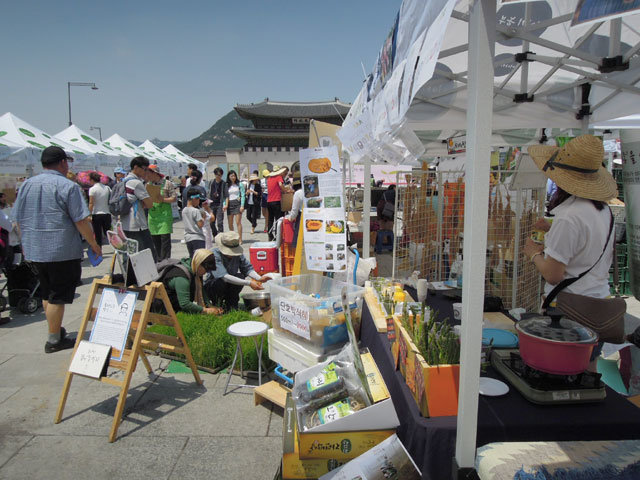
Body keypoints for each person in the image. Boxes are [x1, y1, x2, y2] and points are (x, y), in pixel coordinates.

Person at [523, 135, 618, 371]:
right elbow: (588, 244)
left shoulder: (569, 216)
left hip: (570, 309)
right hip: (599, 305)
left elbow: (553, 275)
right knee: (589, 369)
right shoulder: (603, 210)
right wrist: (553, 230)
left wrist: (533, 253)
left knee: (561, 370)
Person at [13, 146, 102, 353]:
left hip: (35, 250)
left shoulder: (27, 184)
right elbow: (81, 221)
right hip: (60, 250)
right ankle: (53, 340)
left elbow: (17, 219)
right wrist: (93, 243)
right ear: (62, 162)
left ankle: (55, 329)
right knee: (57, 296)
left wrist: (25, 243)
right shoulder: (68, 186)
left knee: (47, 293)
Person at [204, 231, 271, 310]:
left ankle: (232, 304)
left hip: (230, 284)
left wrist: (259, 278)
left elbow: (247, 268)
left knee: (240, 276)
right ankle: (218, 303)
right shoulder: (214, 255)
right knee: (220, 282)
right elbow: (224, 277)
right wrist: (249, 283)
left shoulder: (238, 254)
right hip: (213, 286)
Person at [160, 249, 223, 315]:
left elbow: (201, 290)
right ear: (199, 264)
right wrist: (206, 310)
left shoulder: (195, 269)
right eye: (206, 270)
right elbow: (185, 304)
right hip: (165, 309)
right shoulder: (182, 278)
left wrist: (210, 306)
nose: (206, 273)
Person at [121, 156, 157, 260]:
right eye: (144, 169)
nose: (146, 172)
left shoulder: (125, 180)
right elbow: (149, 204)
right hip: (137, 224)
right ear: (136, 167)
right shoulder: (136, 183)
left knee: (130, 255)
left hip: (125, 222)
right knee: (147, 256)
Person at [147, 165, 176, 261]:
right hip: (153, 216)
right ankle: (159, 263)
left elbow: (174, 198)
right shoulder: (148, 184)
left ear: (155, 173)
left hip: (164, 217)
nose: (147, 176)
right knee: (155, 242)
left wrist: (162, 199)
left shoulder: (167, 183)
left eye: (149, 173)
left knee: (165, 242)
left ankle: (166, 262)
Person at [88, 172, 112, 247]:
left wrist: (89, 214)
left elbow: (91, 203)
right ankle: (115, 248)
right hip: (107, 213)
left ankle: (99, 249)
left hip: (96, 213)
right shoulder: (107, 188)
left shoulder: (92, 189)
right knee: (109, 233)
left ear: (92, 180)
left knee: (98, 234)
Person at [266, 166, 288, 241]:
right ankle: (277, 235)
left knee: (270, 219)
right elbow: (280, 185)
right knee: (278, 219)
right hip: (276, 200)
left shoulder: (269, 178)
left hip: (269, 201)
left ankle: (270, 235)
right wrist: (285, 190)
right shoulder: (279, 177)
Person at [182, 191, 206, 258]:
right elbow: (200, 224)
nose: (199, 201)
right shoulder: (195, 211)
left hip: (188, 237)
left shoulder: (184, 210)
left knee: (192, 258)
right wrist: (203, 217)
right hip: (198, 237)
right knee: (200, 258)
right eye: (198, 199)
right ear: (194, 199)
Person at [225, 170, 245, 241]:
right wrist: (225, 205)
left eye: (234, 176)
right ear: (228, 177)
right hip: (229, 203)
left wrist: (242, 205)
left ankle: (240, 238)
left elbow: (243, 195)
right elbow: (225, 196)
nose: (233, 177)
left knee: (238, 222)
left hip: (237, 203)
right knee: (230, 223)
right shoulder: (226, 185)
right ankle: (233, 238)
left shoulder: (239, 184)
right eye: (231, 176)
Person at [209, 167, 228, 235]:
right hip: (211, 204)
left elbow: (226, 195)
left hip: (219, 204)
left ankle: (221, 236)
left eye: (220, 175)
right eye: (217, 174)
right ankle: (215, 235)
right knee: (211, 222)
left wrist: (226, 205)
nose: (218, 176)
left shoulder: (224, 183)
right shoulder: (211, 182)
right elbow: (208, 192)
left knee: (220, 222)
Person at [261, 168, 269, 233]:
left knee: (267, 213)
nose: (267, 177)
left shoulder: (270, 180)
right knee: (263, 212)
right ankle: (267, 221)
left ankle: (266, 226)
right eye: (265, 175)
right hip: (263, 195)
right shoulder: (261, 181)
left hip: (269, 195)